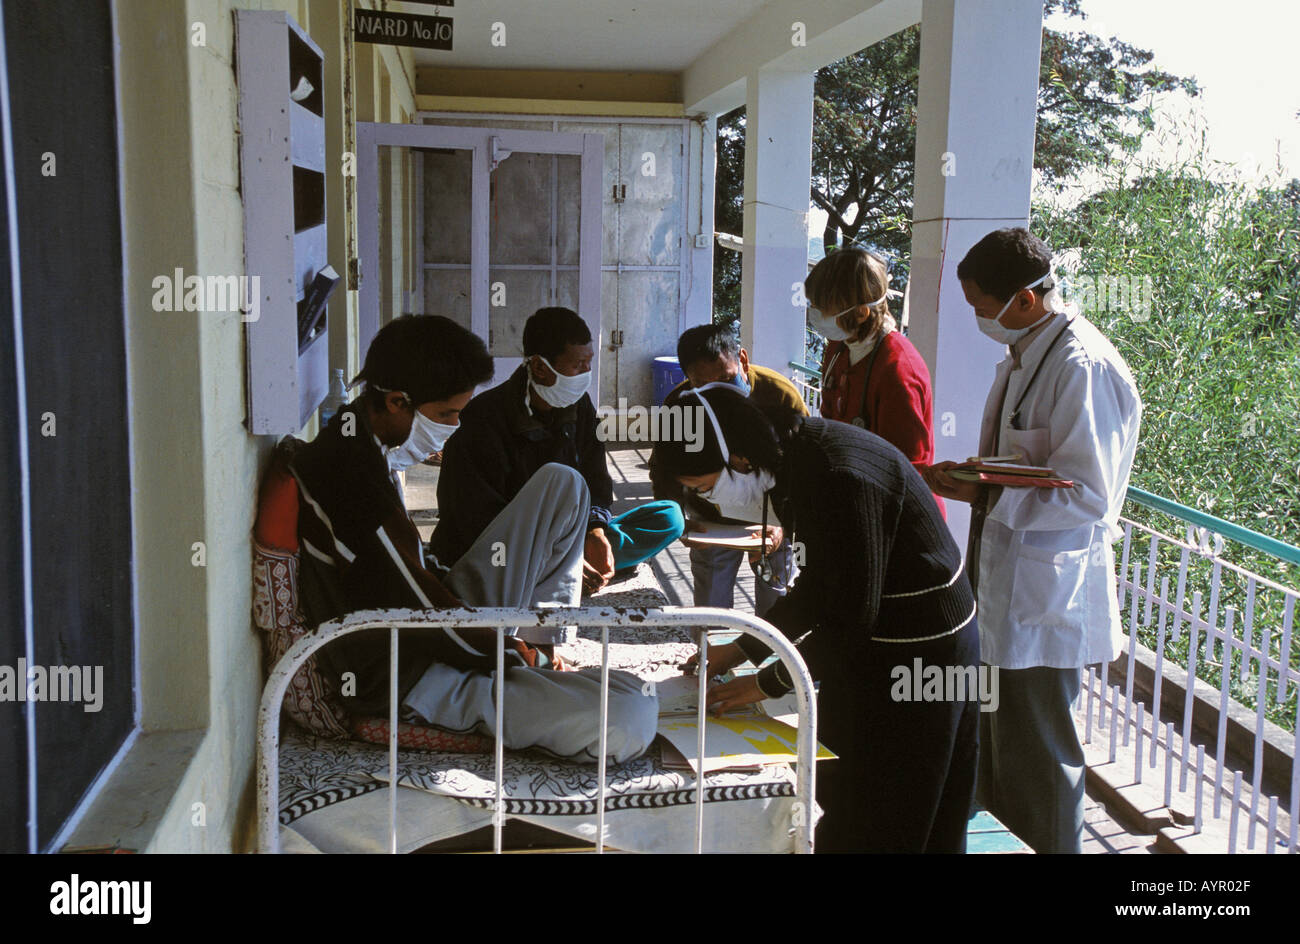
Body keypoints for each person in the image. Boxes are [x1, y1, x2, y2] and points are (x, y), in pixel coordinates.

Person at [291, 315, 657, 763]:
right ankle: (525, 670)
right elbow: (421, 607)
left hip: (436, 634)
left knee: (565, 484)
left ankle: (537, 649)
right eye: (446, 414)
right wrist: (508, 653)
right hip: (408, 674)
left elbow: (417, 574)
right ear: (397, 402)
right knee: (628, 716)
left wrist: (509, 644)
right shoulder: (352, 477)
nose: (453, 426)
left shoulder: (363, 445)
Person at [655, 386, 980, 853]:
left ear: (740, 460)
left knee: (901, 809)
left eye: (704, 488)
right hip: (873, 644)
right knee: (843, 794)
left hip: (925, 657)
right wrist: (744, 647)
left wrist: (765, 684)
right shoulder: (789, 462)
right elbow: (820, 587)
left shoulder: (837, 473)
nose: (709, 500)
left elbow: (849, 614)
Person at [923, 228, 1142, 853]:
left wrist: (986, 491)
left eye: (979, 306)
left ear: (1023, 299)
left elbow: (1089, 495)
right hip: (1005, 581)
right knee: (999, 749)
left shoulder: (1082, 367)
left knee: (1042, 758)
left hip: (1048, 595)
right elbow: (1027, 463)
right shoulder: (1027, 355)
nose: (976, 318)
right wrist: (978, 477)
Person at [430, 307, 684, 603]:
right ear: (539, 367)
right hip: (503, 550)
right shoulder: (483, 419)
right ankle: (563, 574)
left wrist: (596, 530)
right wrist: (556, 560)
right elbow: (475, 519)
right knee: (560, 481)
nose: (586, 374)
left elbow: (597, 479)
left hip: (568, 536)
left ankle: (586, 565)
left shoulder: (579, 406)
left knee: (670, 516)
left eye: (589, 363)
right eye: (578, 365)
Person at [649, 322, 808, 616]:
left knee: (777, 606)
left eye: (727, 378)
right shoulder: (679, 406)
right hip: (713, 520)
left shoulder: (780, 396)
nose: (718, 393)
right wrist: (677, 516)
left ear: (743, 361)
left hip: (773, 516)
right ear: (688, 381)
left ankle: (773, 659)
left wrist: (784, 525)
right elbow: (663, 469)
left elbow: (803, 468)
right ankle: (710, 658)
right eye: (705, 387)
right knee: (711, 608)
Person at [805, 248, 945, 516]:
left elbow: (906, 471)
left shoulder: (899, 369)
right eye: (813, 305)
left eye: (822, 307)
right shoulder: (838, 347)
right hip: (853, 502)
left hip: (898, 518)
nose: (815, 313)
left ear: (860, 313)